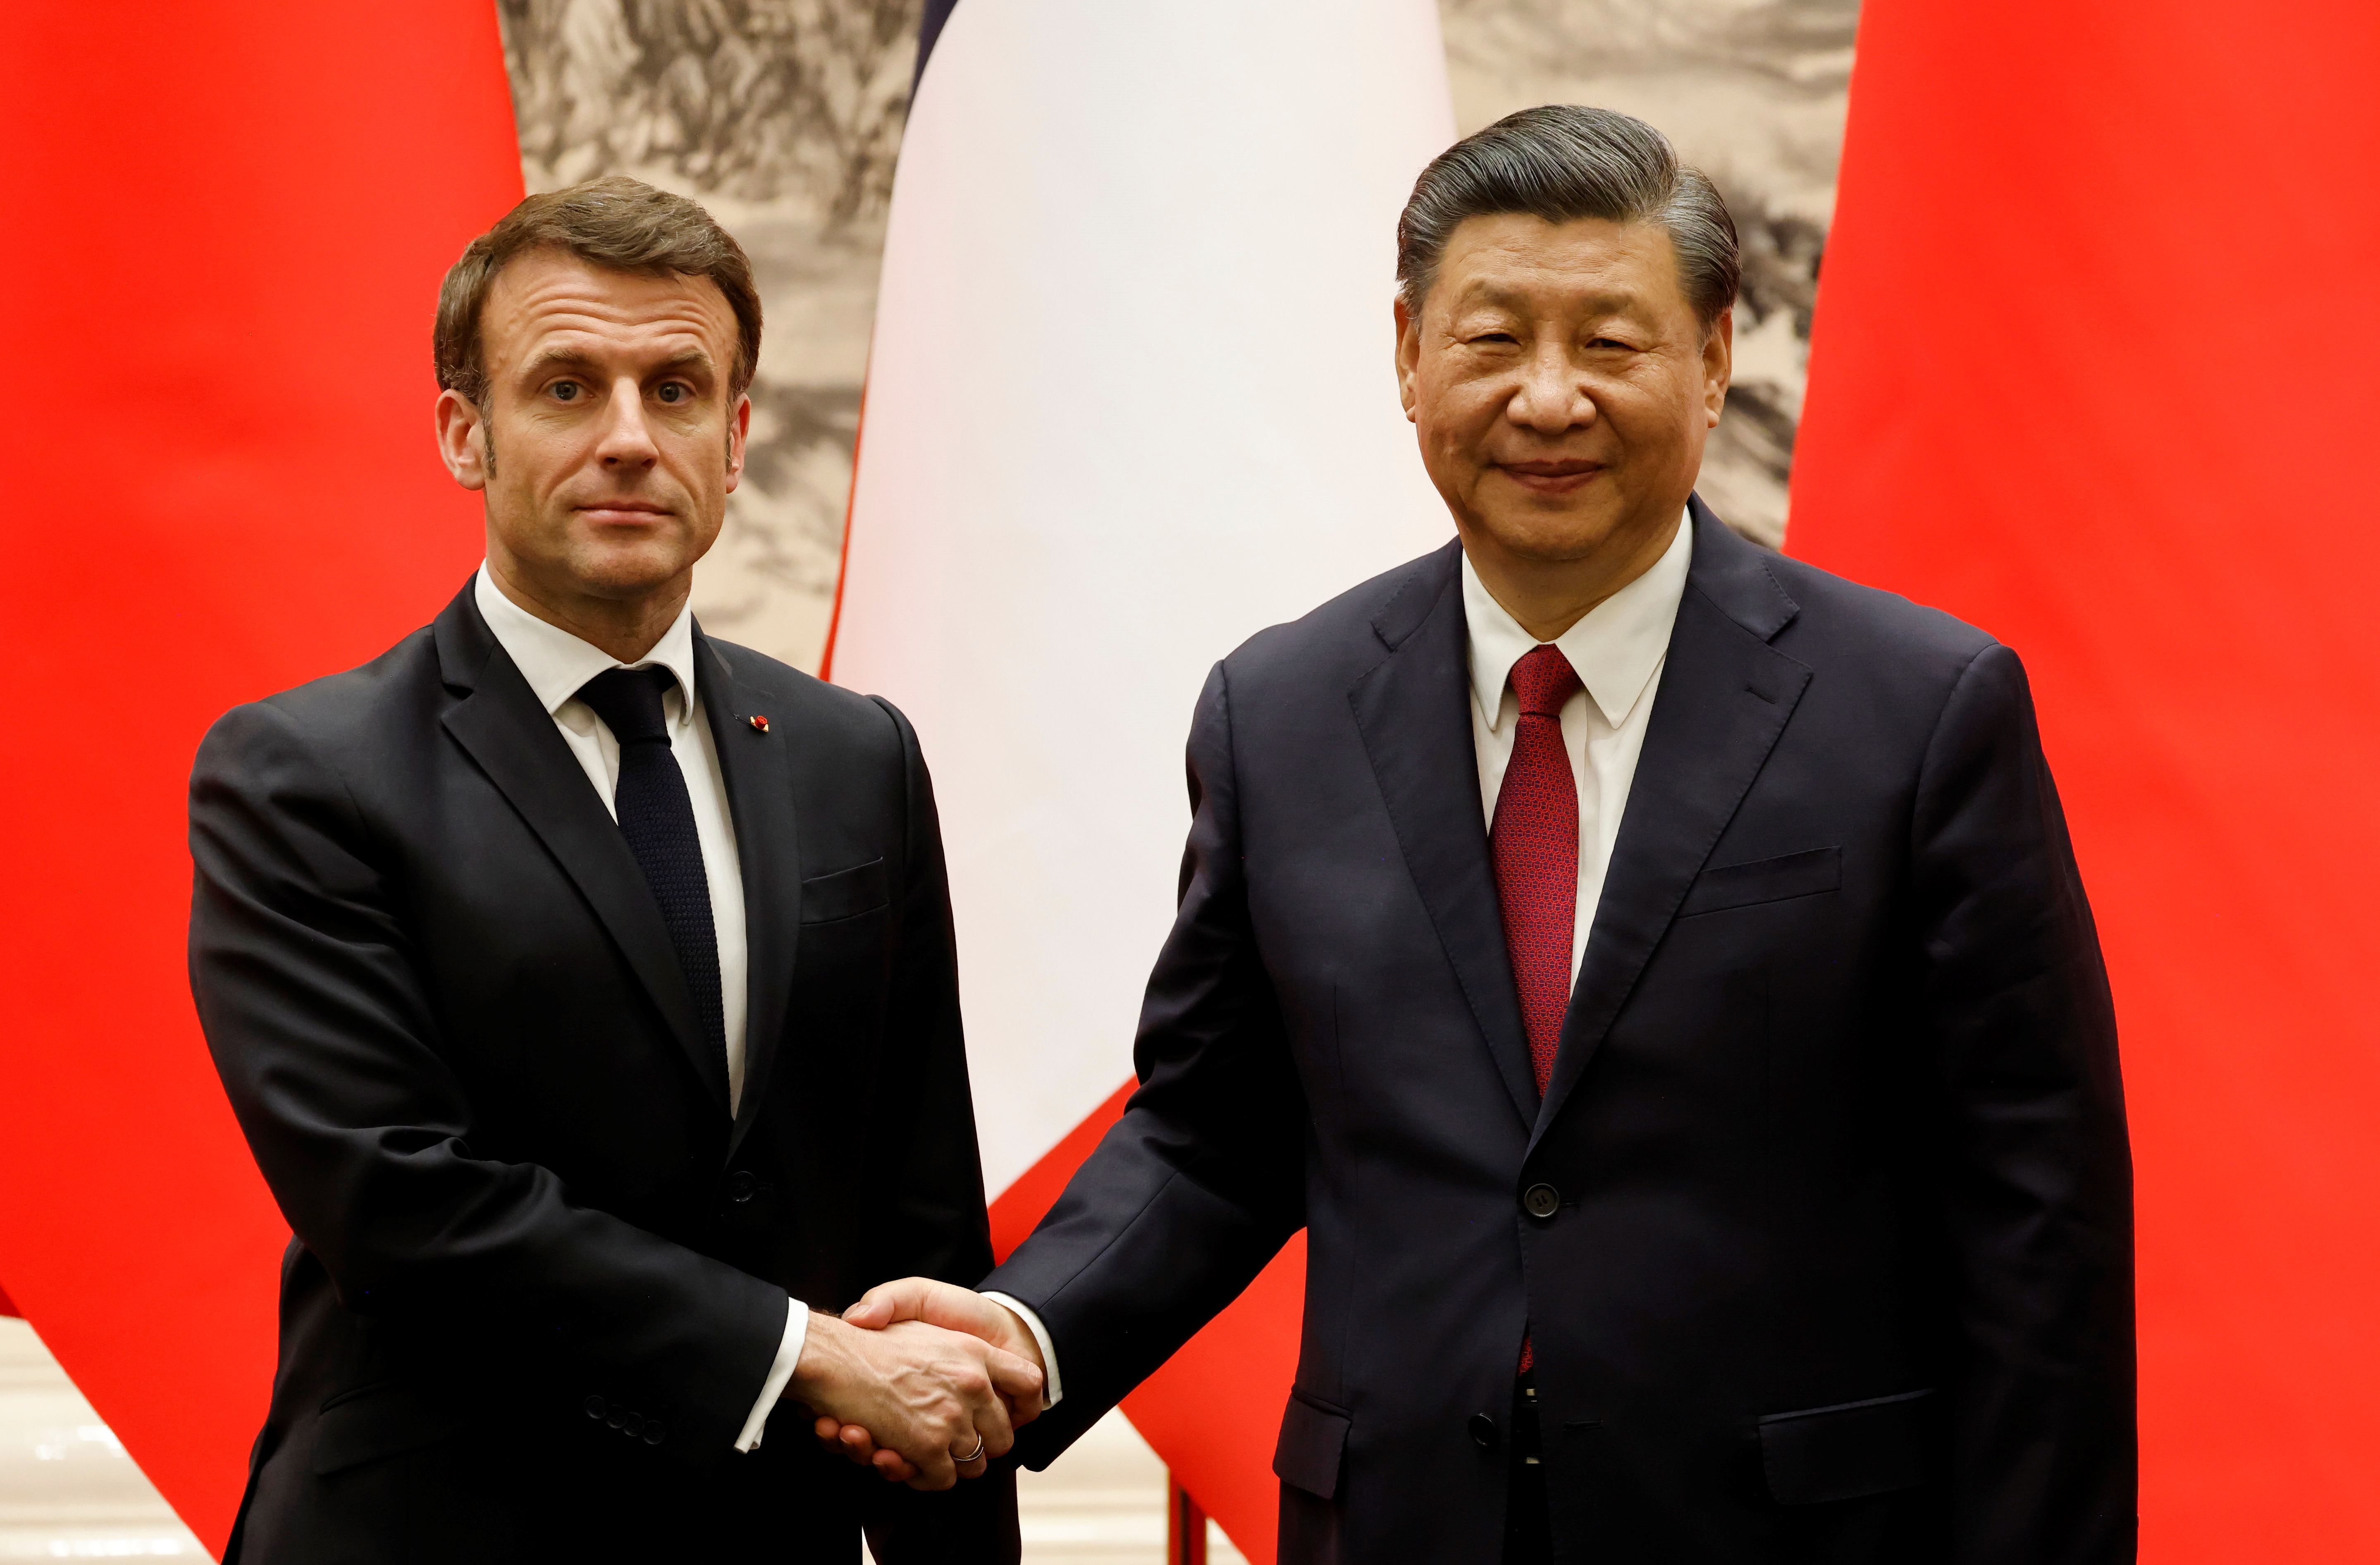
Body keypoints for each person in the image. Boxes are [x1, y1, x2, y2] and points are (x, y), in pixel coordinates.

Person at [826, 107, 2137, 1562]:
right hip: (1399, 1520)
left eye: (1614, 344)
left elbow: (2039, 1223)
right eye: (1494, 338)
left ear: (1711, 362)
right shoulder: (1282, 711)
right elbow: (1216, 1132)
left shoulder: (1919, 709)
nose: (1551, 399)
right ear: (1407, 354)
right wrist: (1026, 1330)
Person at [187, 176, 1039, 1563]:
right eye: (569, 388)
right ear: (467, 434)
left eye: (678, 389)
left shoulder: (855, 755)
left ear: (740, 437)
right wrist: (797, 1352)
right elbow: (407, 1205)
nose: (631, 440)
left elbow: (920, 1216)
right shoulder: (302, 776)